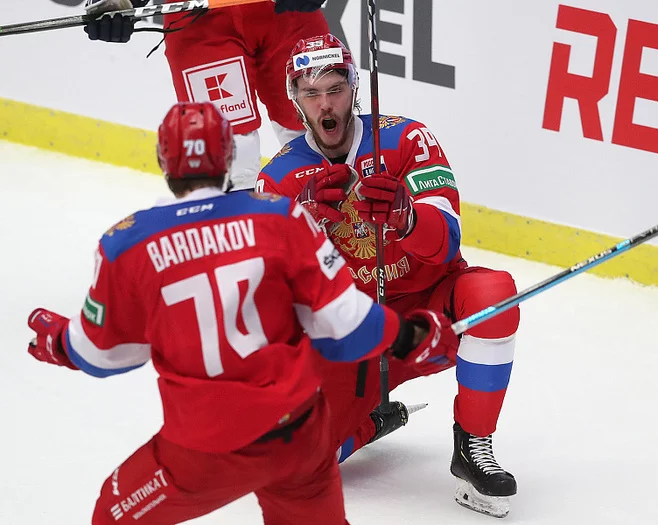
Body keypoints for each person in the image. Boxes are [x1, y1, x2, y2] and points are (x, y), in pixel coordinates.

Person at [25, 101, 459, 525]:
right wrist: (412, 335)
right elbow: (344, 323)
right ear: (230, 155)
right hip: (297, 438)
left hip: (202, 452)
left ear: (163, 159)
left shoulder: (128, 243)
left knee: (111, 513)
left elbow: (106, 356)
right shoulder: (281, 215)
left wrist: (59, 340)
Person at [256, 34, 522, 518]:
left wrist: (408, 219)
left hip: (428, 317)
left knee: (492, 293)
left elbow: (450, 239)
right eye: (310, 93)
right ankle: (371, 423)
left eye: (334, 87)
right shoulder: (277, 178)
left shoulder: (406, 138)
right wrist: (304, 223)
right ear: (295, 100)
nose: (325, 103)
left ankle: (473, 447)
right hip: (352, 337)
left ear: (354, 87)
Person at [84, 0, 329, 189]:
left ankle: (339, 244)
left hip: (290, 16)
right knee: (231, 155)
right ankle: (244, 247)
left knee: (322, 132)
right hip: (202, 20)